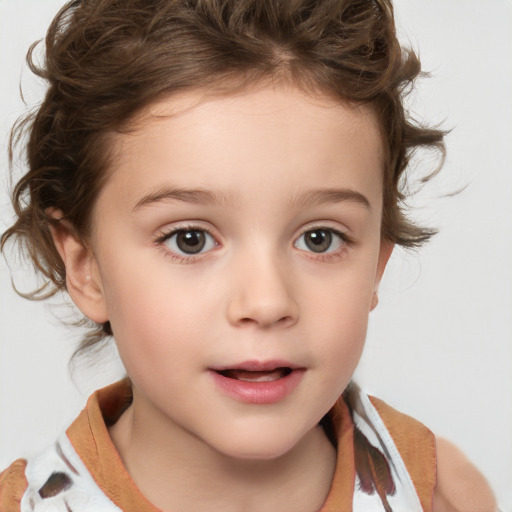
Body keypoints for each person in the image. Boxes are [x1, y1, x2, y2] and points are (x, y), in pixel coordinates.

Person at [0, 0, 499, 511]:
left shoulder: (439, 492)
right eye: (189, 239)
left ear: (376, 264)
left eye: (319, 238)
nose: (265, 302)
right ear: (86, 269)